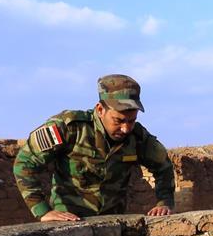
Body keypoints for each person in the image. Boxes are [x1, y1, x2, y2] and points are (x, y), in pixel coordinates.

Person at [13, 74, 175, 221]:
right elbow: (25, 163)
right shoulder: (70, 128)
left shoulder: (137, 137)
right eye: (118, 121)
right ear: (100, 110)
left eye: (131, 121)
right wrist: (42, 210)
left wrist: (165, 202)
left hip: (114, 224)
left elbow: (163, 167)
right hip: (69, 222)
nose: (126, 128)